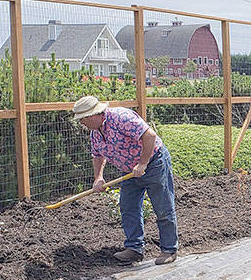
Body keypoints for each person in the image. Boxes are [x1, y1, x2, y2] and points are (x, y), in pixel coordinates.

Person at [72, 96, 178, 265]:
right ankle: (135, 249)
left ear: (93, 115)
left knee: (163, 207)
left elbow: (149, 136)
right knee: (128, 207)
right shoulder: (95, 133)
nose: (82, 123)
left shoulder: (122, 118)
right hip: (130, 171)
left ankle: (169, 249)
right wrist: (98, 177)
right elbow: (97, 155)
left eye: (83, 119)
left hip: (153, 164)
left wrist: (143, 164)